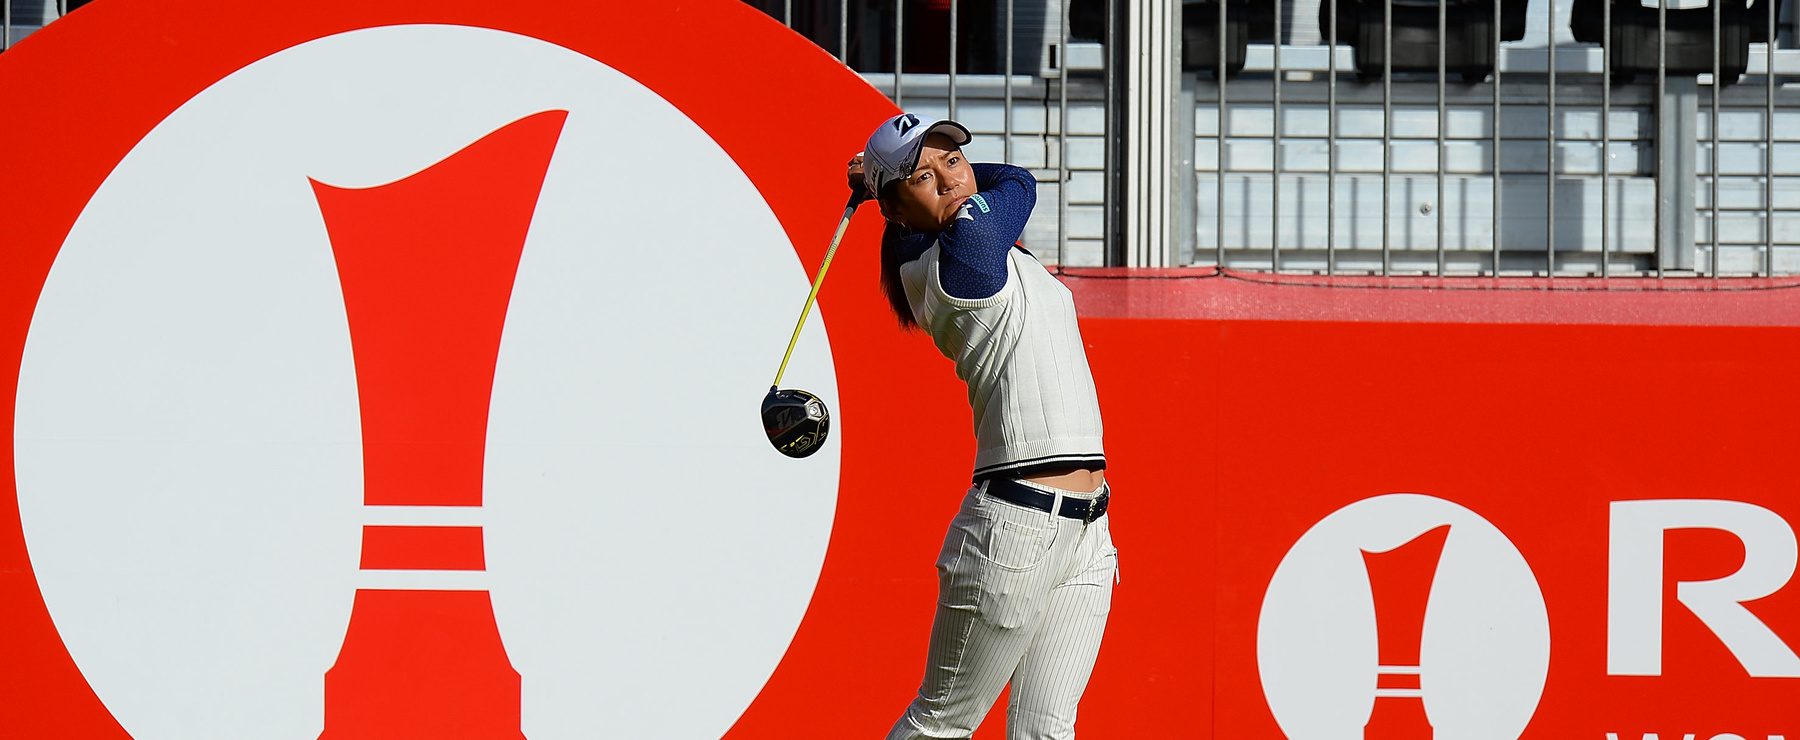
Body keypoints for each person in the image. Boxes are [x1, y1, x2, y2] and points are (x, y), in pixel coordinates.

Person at [850, 113, 1117, 740]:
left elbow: (979, 190)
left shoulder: (941, 242)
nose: (950, 180)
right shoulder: (965, 257)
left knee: (1047, 729)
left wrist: (885, 185)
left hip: (1086, 531)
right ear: (895, 209)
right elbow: (1017, 181)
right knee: (942, 724)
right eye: (923, 175)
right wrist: (878, 188)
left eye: (952, 159)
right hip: (1015, 529)